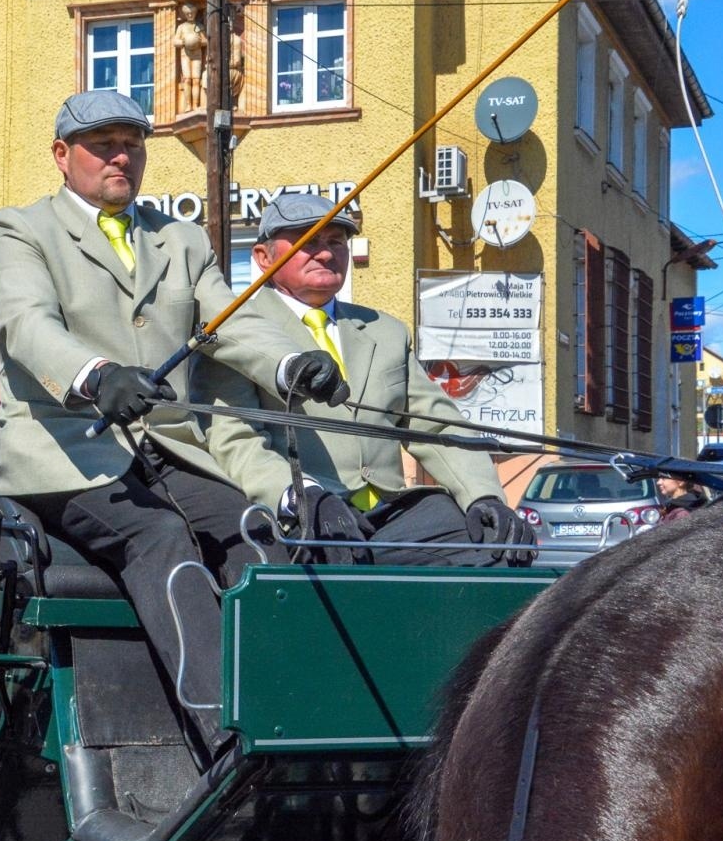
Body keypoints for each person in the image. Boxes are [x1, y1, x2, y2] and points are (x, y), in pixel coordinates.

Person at [0, 89, 348, 763]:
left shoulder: (178, 240)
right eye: (103, 144)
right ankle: (229, 744)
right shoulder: (21, 229)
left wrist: (293, 363)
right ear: (63, 156)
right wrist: (94, 375)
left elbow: (229, 320)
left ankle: (300, 721)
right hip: (66, 452)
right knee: (161, 536)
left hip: (167, 446)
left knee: (257, 530)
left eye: (133, 142)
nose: (122, 156)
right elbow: (24, 324)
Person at [205, 192, 535, 567]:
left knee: (495, 550)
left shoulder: (386, 331)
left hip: (394, 517)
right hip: (306, 519)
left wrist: (484, 498)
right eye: (308, 242)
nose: (326, 253)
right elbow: (236, 441)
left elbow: (437, 424)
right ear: (263, 257)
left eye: (336, 242)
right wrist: (301, 496)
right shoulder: (235, 331)